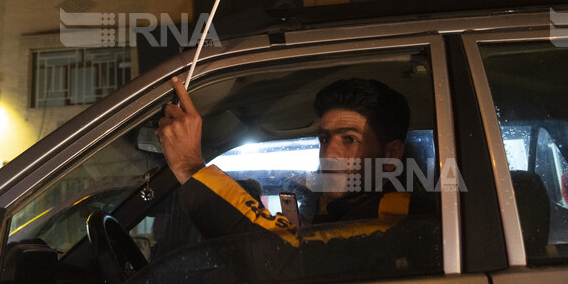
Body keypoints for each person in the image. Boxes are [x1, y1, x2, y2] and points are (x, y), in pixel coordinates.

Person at [157, 76, 427, 246]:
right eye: (324, 138)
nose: (328, 154)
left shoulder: (400, 222)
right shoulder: (340, 209)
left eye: (350, 140)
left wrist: (190, 166)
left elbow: (282, 257)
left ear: (390, 156)